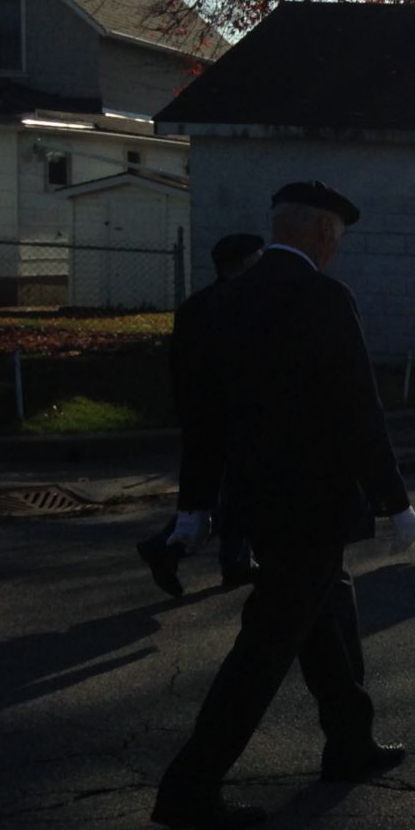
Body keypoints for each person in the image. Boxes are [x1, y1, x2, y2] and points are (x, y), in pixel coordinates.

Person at [152, 182, 415, 830]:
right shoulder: (324, 297)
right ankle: (191, 784)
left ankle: (350, 739)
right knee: (266, 645)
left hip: (258, 504)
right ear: (324, 233)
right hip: (315, 505)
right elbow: (358, 408)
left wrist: (194, 507)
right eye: (338, 238)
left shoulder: (223, 301)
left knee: (328, 615)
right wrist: (395, 499)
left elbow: (204, 418)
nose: (336, 249)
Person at [137, 231, 265, 598]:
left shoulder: (194, 307)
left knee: (214, 494)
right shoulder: (245, 308)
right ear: (246, 264)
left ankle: (235, 560)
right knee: (239, 492)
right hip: (236, 415)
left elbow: (180, 367)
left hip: (201, 415)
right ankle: (169, 548)